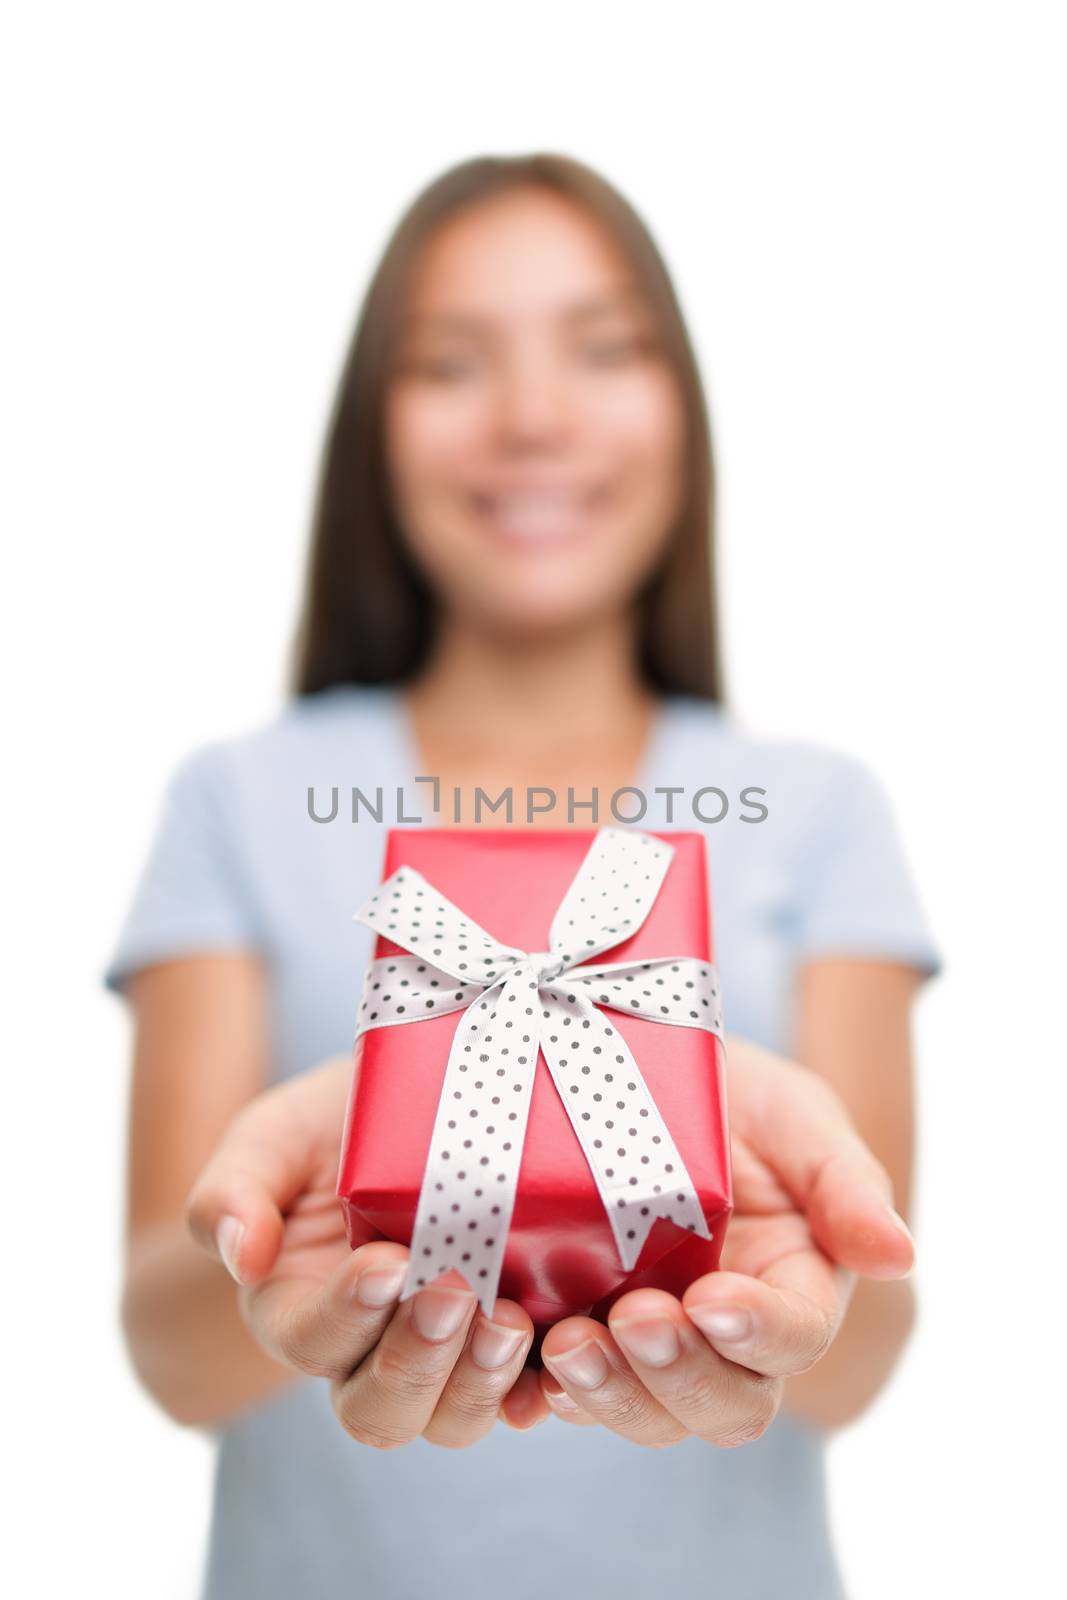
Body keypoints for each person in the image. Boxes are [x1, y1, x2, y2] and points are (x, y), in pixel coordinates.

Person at [104, 154, 942, 1599]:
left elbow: (858, 1351)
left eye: (603, 349)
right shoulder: (241, 798)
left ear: (683, 403)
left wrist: (757, 1247)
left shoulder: (819, 809)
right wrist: (300, 1232)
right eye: (452, 363)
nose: (537, 417)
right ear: (375, 429)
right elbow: (166, 1347)